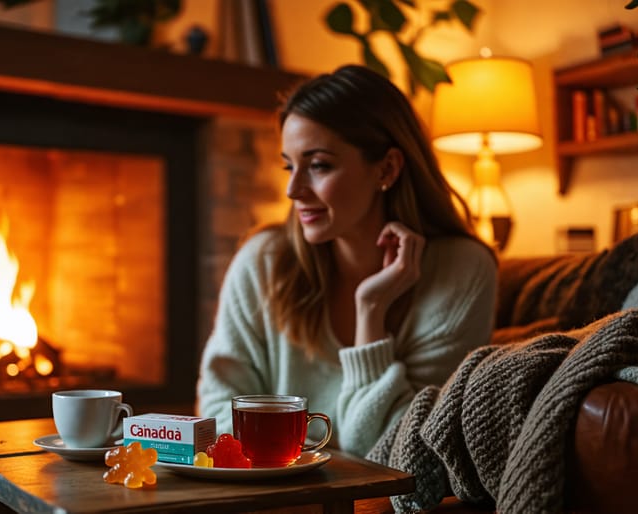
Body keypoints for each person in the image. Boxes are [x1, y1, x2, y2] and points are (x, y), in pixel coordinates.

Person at [196, 65, 498, 459]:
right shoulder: (262, 263)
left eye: (319, 165)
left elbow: (394, 448)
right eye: (289, 165)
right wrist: (301, 469)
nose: (293, 189)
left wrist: (370, 311)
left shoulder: (462, 271)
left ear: (386, 168)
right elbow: (216, 417)